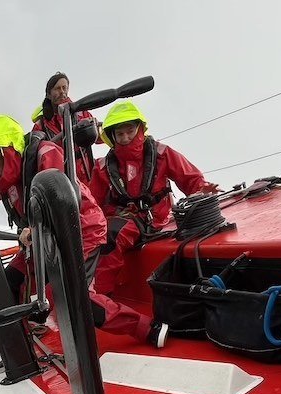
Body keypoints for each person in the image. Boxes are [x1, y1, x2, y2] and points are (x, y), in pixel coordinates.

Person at [0, 114, 168, 347]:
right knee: (8, 280)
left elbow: (53, 193)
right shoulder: (1, 178)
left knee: (69, 296)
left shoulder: (46, 154)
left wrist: (33, 227)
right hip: (42, 237)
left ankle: (147, 328)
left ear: (5, 149)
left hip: (79, 231)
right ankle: (17, 343)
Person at [89, 101, 218, 295]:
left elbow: (190, 178)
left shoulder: (161, 153)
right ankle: (92, 292)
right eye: (120, 134)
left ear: (140, 129)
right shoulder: (102, 166)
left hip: (154, 217)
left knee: (112, 236)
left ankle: (98, 297)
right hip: (119, 217)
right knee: (95, 236)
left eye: (130, 131)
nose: (125, 137)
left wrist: (201, 189)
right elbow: (92, 203)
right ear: (111, 137)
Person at [32, 72, 103, 182]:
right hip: (61, 177)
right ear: (48, 95)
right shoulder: (41, 125)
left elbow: (100, 137)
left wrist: (97, 128)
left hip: (86, 171)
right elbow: (35, 153)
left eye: (64, 88)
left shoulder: (81, 113)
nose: (62, 92)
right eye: (57, 89)